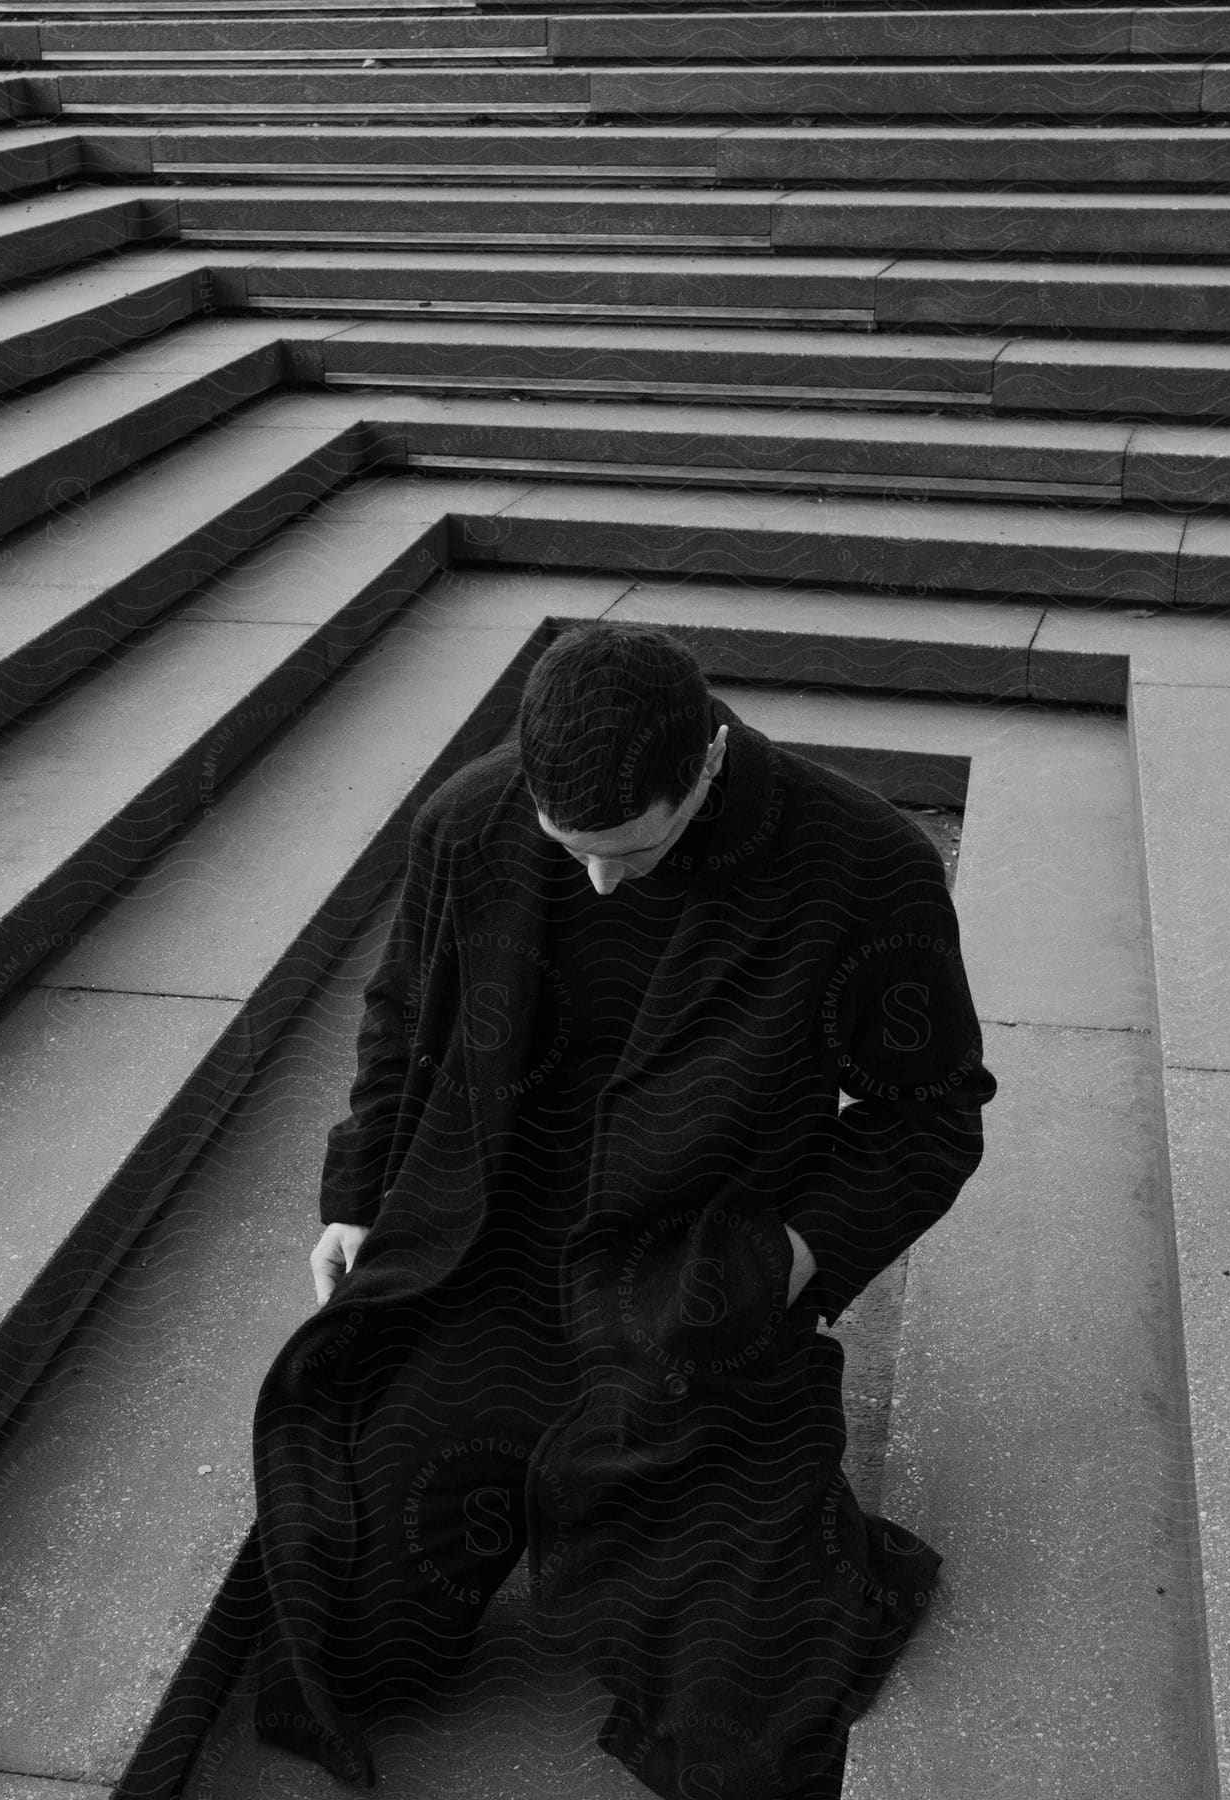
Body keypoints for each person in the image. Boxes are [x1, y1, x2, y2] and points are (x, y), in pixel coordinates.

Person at [249, 621, 997, 1798]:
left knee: (733, 1717)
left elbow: (933, 1116)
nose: (597, 879)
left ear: (703, 762)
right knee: (351, 1632)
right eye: (569, 847)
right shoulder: (470, 819)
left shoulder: (863, 860)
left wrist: (782, 1263)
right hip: (488, 1265)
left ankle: (766, 1525)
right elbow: (405, 1016)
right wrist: (355, 1201)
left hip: (692, 1292)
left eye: (630, 849)